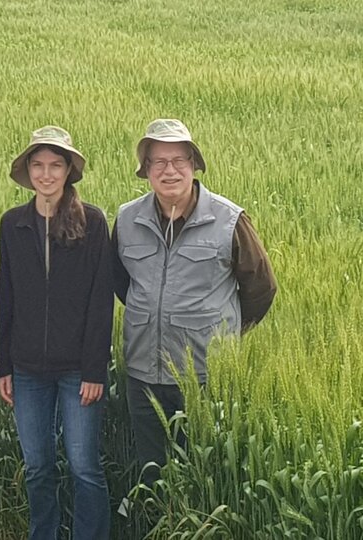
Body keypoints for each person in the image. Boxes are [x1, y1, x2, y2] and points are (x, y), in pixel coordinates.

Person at [112, 119, 277, 483]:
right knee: (151, 475)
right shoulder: (126, 219)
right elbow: (122, 282)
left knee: (203, 474)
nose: (169, 170)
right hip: (143, 374)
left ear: (194, 165)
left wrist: (223, 332)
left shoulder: (228, 220)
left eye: (179, 160)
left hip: (205, 376)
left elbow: (261, 288)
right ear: (146, 170)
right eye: (158, 162)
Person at [0, 126, 113, 540]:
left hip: (78, 371)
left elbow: (102, 302)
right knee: (37, 466)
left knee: (84, 466)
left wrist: (95, 370)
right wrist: (3, 365)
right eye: (38, 165)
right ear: (28, 172)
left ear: (69, 171)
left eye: (56, 165)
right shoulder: (14, 224)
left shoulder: (93, 222)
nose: (47, 174)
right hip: (27, 370)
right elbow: (5, 298)